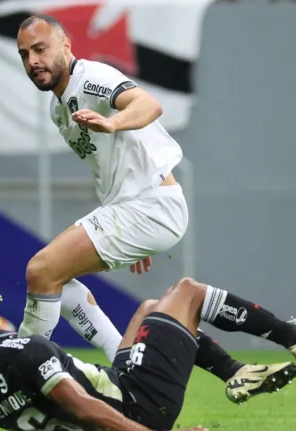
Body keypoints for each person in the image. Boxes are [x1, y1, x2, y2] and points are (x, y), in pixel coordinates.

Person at [12, 13, 192, 361]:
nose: (33, 61)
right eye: (24, 54)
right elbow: (113, 165)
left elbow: (148, 105)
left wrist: (114, 122)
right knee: (54, 280)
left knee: (42, 270)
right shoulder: (58, 107)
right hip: (135, 206)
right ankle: (122, 362)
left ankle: (18, 374)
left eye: (40, 48)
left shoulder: (92, 78)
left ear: (66, 45)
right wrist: (131, 230)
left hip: (154, 204)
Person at [0, 283, 296, 431]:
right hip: (137, 404)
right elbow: (84, 408)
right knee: (187, 293)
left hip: (120, 387)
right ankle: (295, 336)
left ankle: (236, 371)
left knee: (150, 309)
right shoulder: (29, 350)